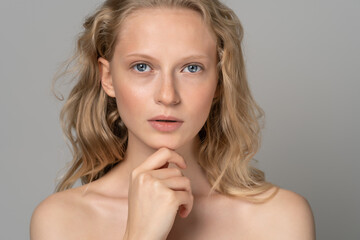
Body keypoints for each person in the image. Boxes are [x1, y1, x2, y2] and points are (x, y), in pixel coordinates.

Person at [30, 0, 316, 239]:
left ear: (218, 82)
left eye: (191, 68)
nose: (168, 96)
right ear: (108, 77)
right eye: (142, 67)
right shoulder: (61, 222)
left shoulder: (280, 219)